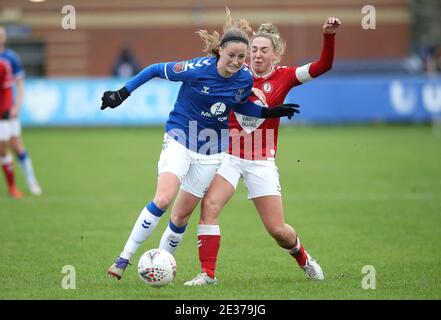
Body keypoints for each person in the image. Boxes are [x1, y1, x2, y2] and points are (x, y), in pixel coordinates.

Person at [102, 8, 299, 280]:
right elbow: (154, 69)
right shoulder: (196, 69)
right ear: (220, 51)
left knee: (181, 216)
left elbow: (241, 106)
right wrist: (122, 93)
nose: (237, 62)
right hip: (181, 138)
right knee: (163, 198)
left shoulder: (243, 78)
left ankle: (156, 268)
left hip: (212, 151)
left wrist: (268, 113)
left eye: (242, 57)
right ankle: (123, 258)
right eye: (232, 55)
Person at [184, 17, 341, 286]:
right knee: (209, 206)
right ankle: (207, 274)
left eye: (263, 50)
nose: (256, 54)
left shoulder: (286, 76)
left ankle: (304, 259)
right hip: (228, 154)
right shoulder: (236, 71)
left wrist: (328, 36)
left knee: (278, 230)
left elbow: (323, 66)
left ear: (276, 55)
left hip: (260, 160)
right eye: (253, 49)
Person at [0, 26, 42, 196]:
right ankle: (12, 187)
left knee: (16, 146)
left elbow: (19, 84)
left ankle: (31, 181)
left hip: (7, 110)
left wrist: (17, 106)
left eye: (1, 34)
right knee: (3, 149)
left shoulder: (10, 58)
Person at [0, 57, 22, 198]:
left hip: (1, 115)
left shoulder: (3, 66)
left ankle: (12, 187)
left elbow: (7, 91)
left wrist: (7, 109)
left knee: (3, 151)